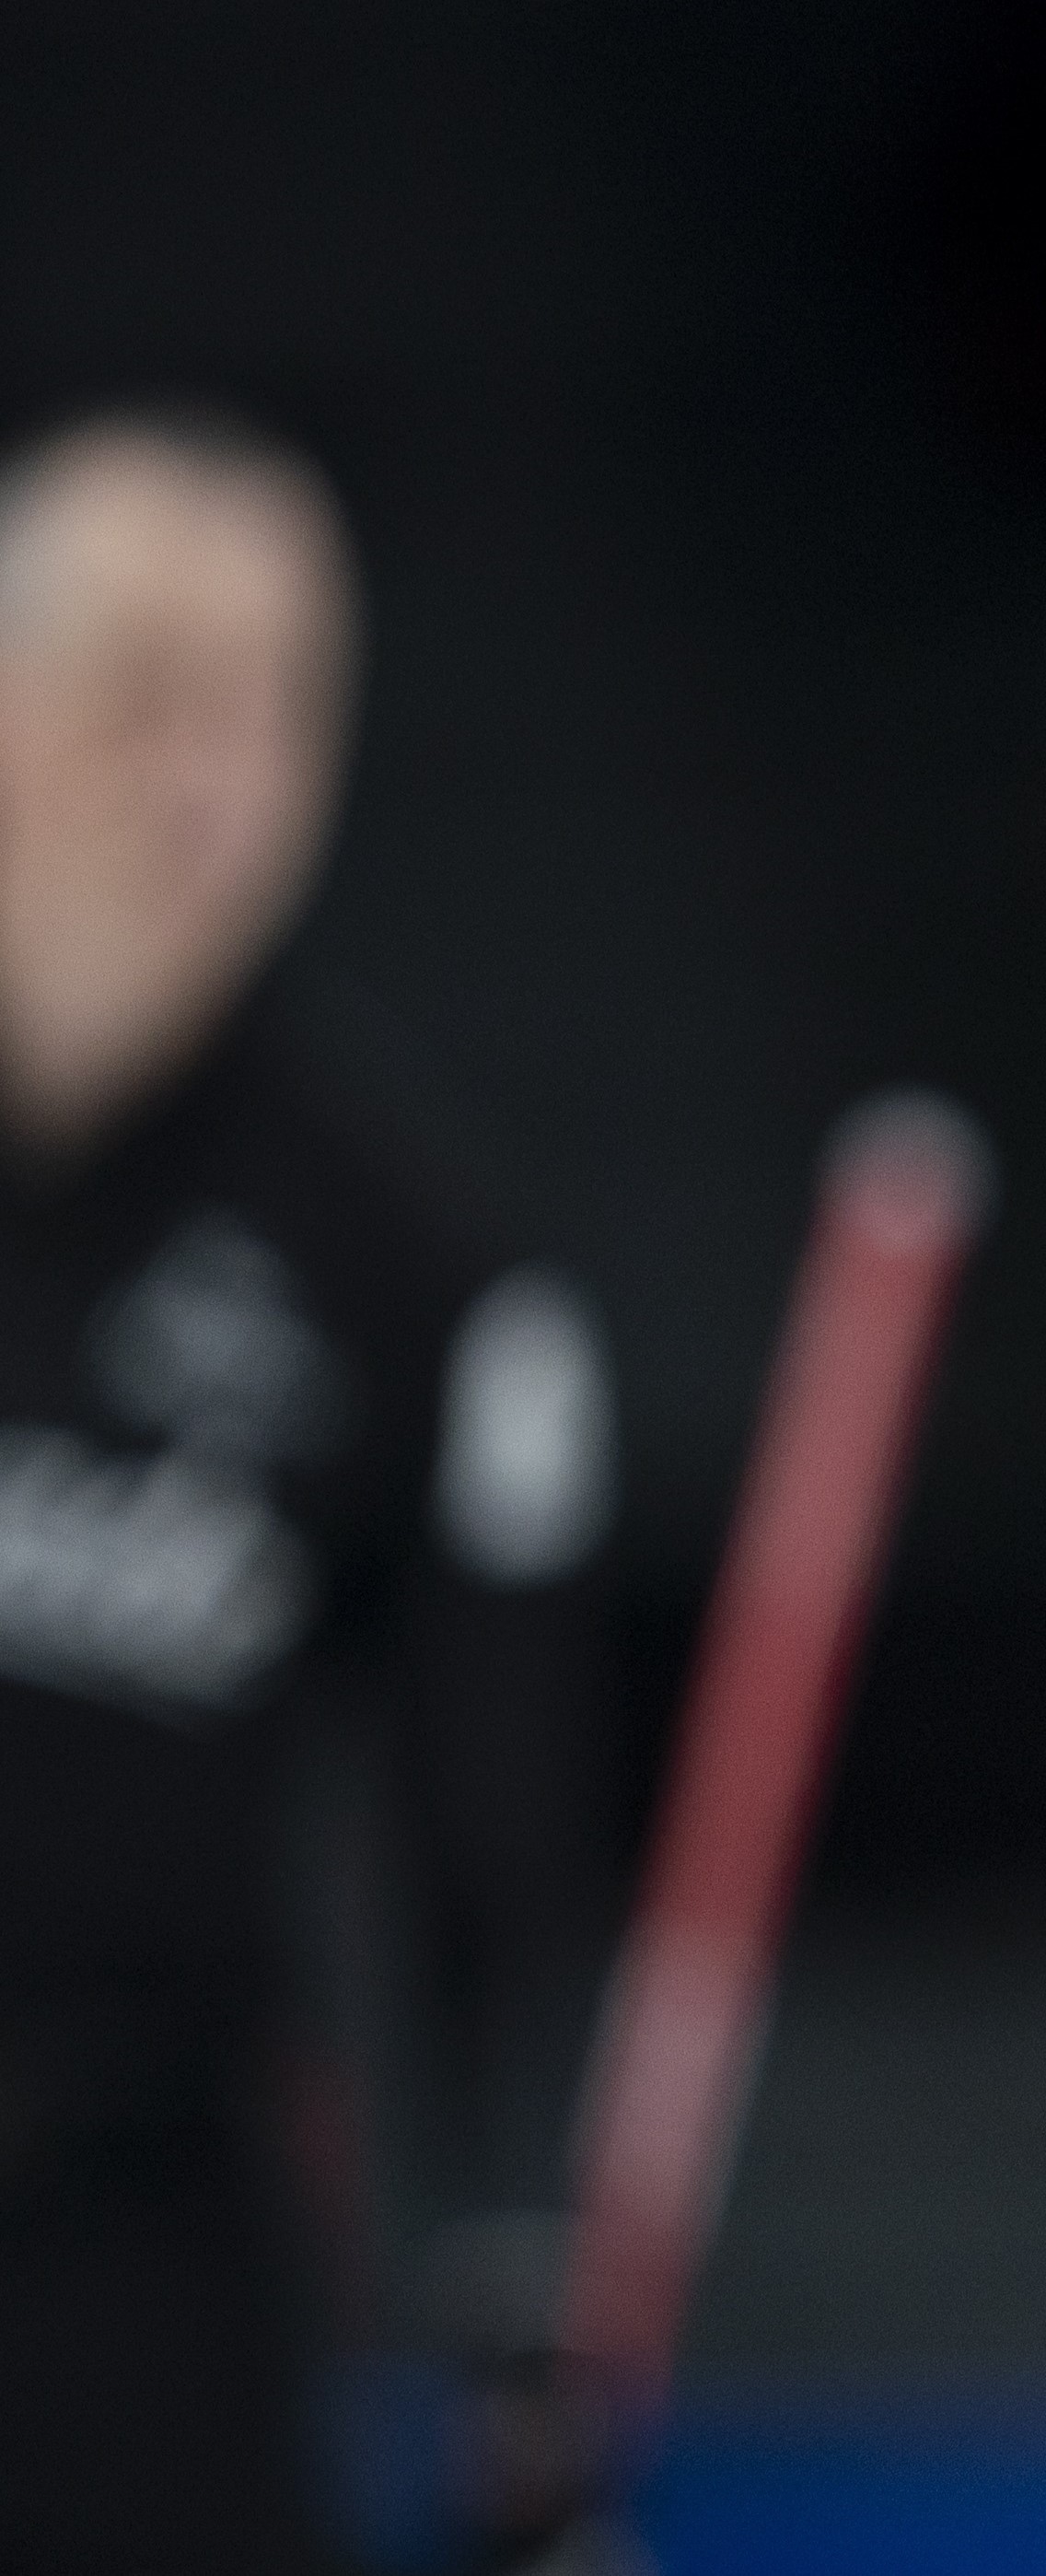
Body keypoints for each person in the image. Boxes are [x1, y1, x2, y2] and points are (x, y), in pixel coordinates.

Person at [0, 413, 618, 2570]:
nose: (217, 779)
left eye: (280, 707)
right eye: (148, 693)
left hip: (143, 2235)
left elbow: (489, 1846)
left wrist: (525, 2294)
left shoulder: (403, 1255)